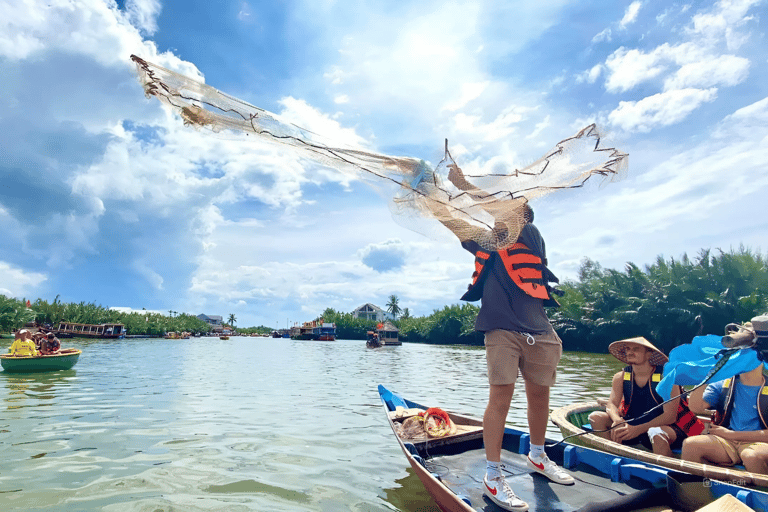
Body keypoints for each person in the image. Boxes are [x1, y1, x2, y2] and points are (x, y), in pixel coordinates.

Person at [426, 165, 572, 512]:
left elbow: (501, 209)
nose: (499, 218)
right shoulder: (486, 244)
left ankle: (538, 457)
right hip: (502, 331)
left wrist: (462, 184)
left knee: (539, 397)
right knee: (500, 398)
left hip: (539, 331)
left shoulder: (530, 235)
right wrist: (428, 195)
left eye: (509, 213)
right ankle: (493, 476)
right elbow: (451, 220)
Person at [588, 337, 704, 456]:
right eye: (628, 349)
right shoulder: (620, 377)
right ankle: (612, 455)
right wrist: (617, 420)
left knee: (656, 433)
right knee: (595, 417)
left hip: (668, 427)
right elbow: (612, 404)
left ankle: (667, 471)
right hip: (633, 423)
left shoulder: (666, 379)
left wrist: (638, 429)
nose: (630, 352)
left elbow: (670, 416)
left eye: (636, 349)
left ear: (649, 354)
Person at [682, 357, 768, 473]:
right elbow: (696, 407)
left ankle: (759, 490)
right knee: (690, 445)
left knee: (751, 456)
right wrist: (705, 377)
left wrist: (730, 434)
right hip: (727, 442)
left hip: (759, 444)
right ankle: (696, 490)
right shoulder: (723, 384)